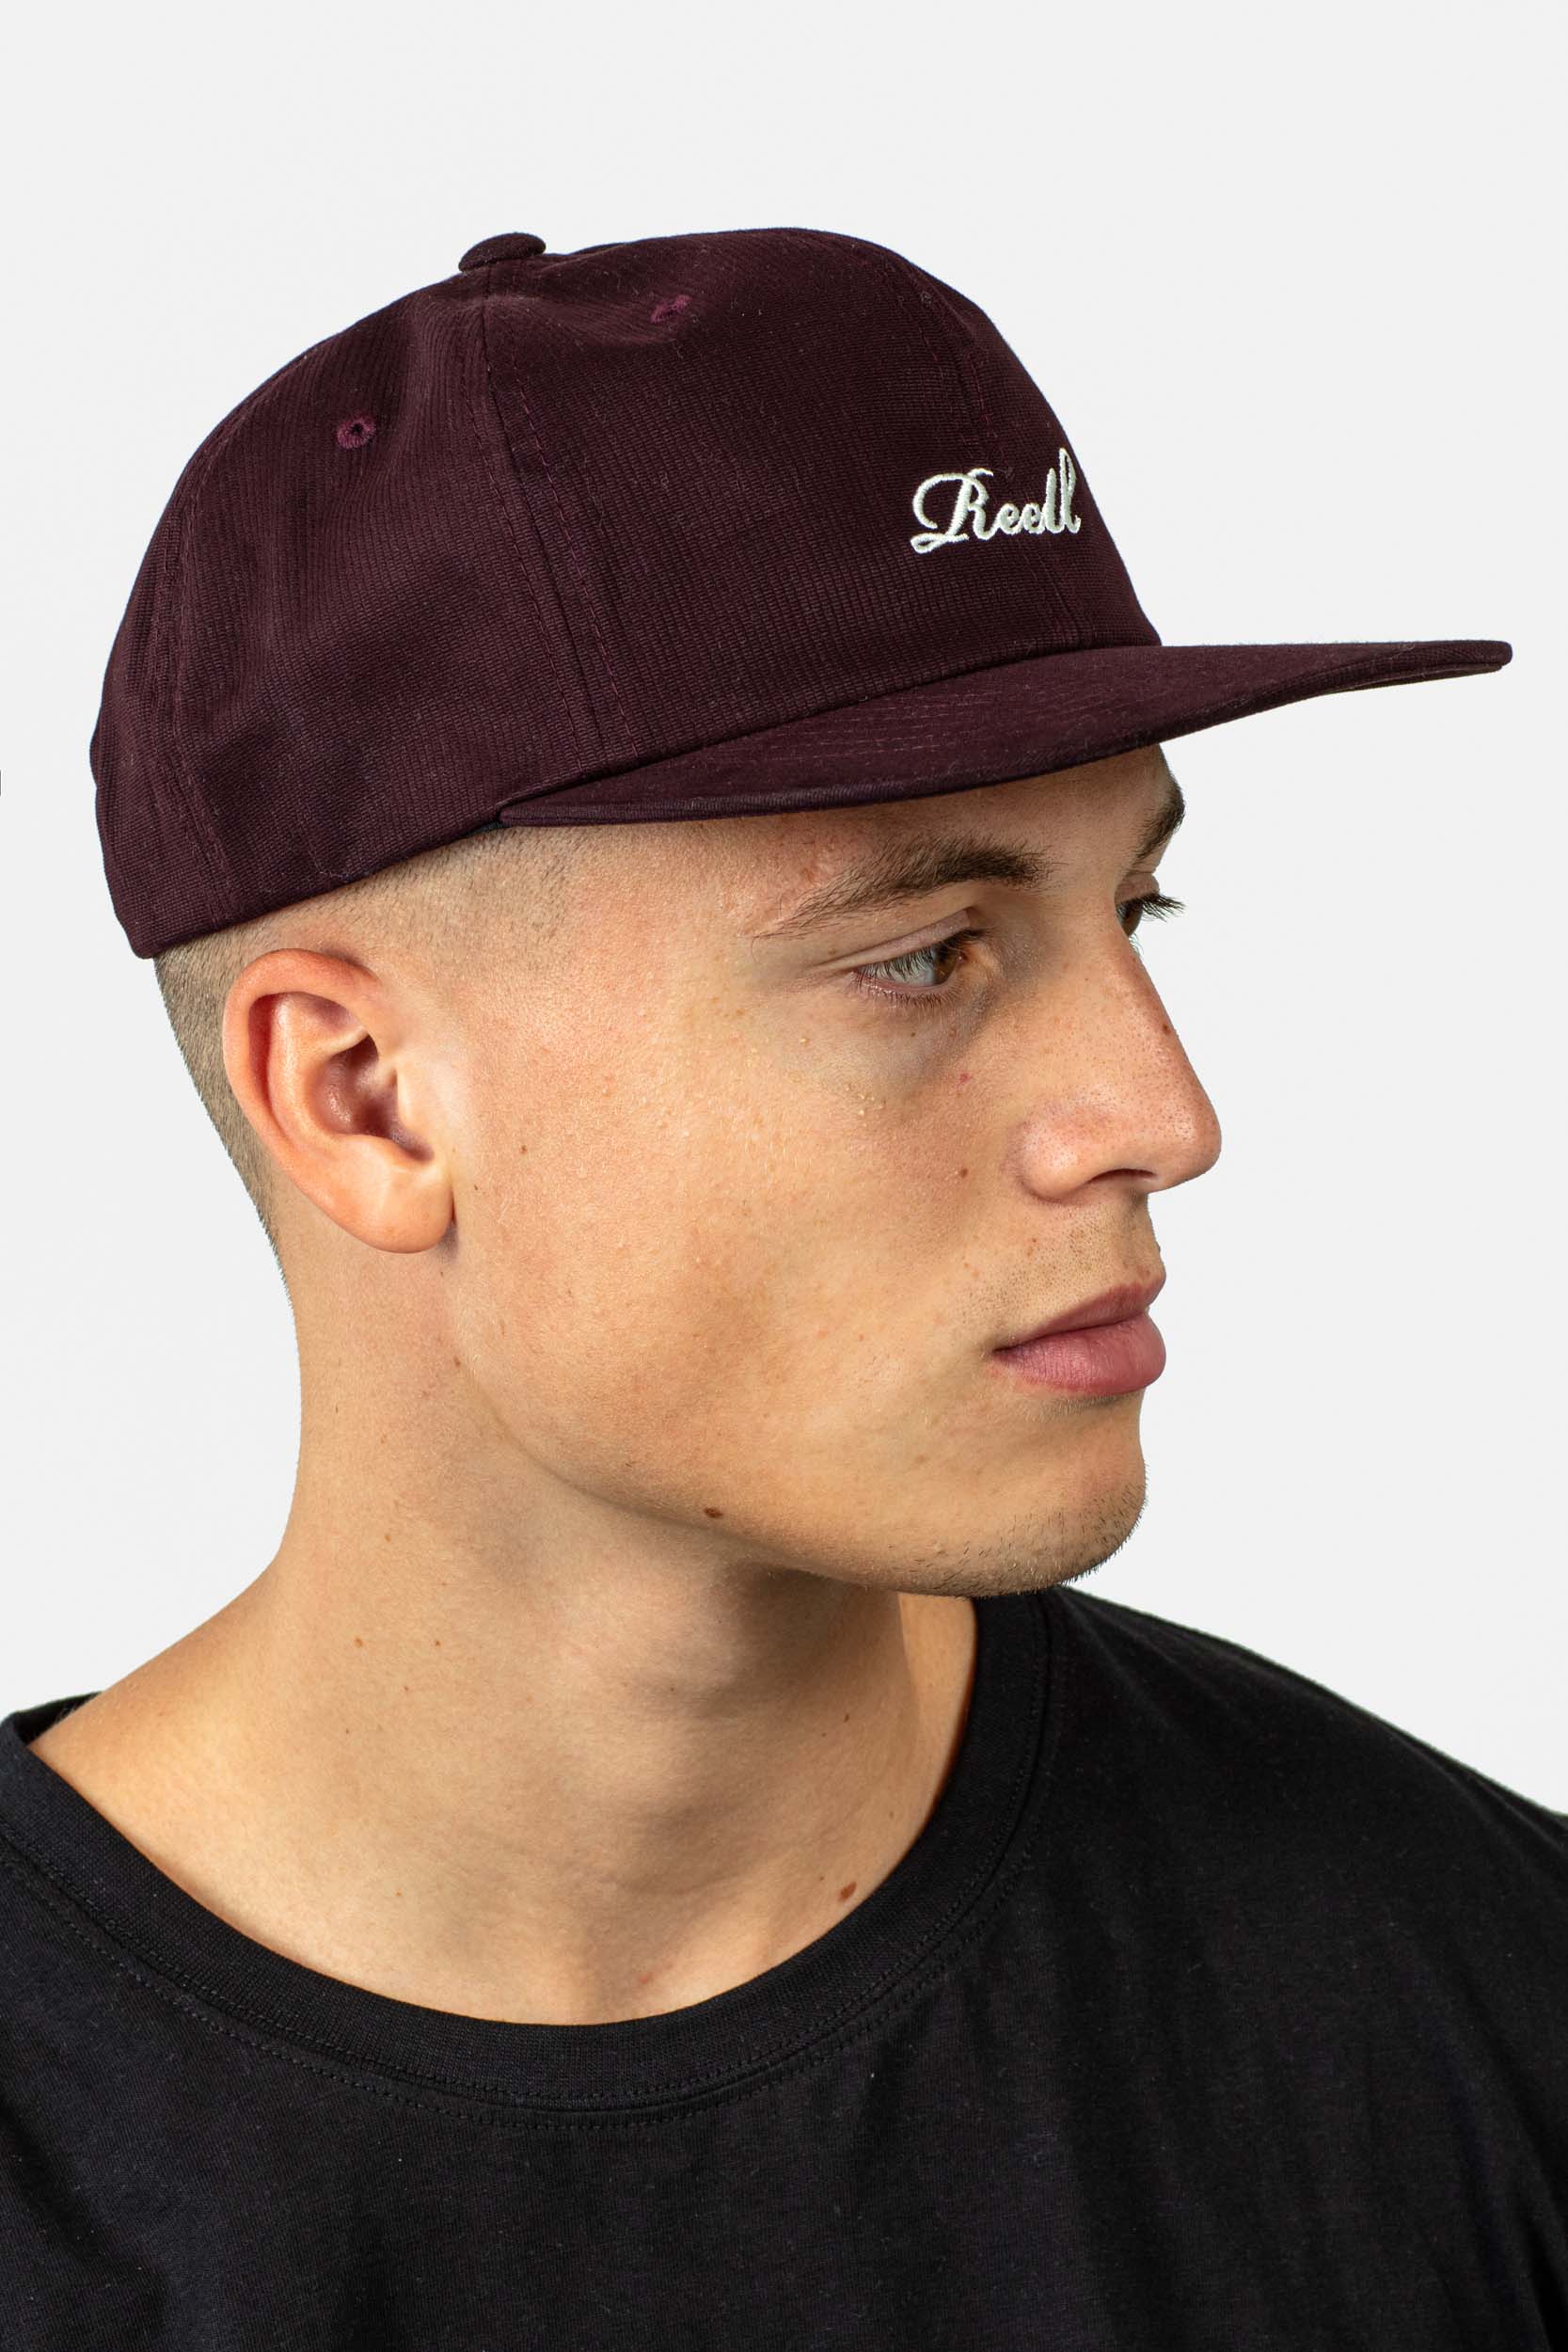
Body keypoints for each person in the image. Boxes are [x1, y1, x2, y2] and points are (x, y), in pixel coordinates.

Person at [3, 224, 1560, 2349]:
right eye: (923, 956)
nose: (1159, 1113)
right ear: (363, 1096)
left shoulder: (1474, 2008)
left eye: (1138, 905)